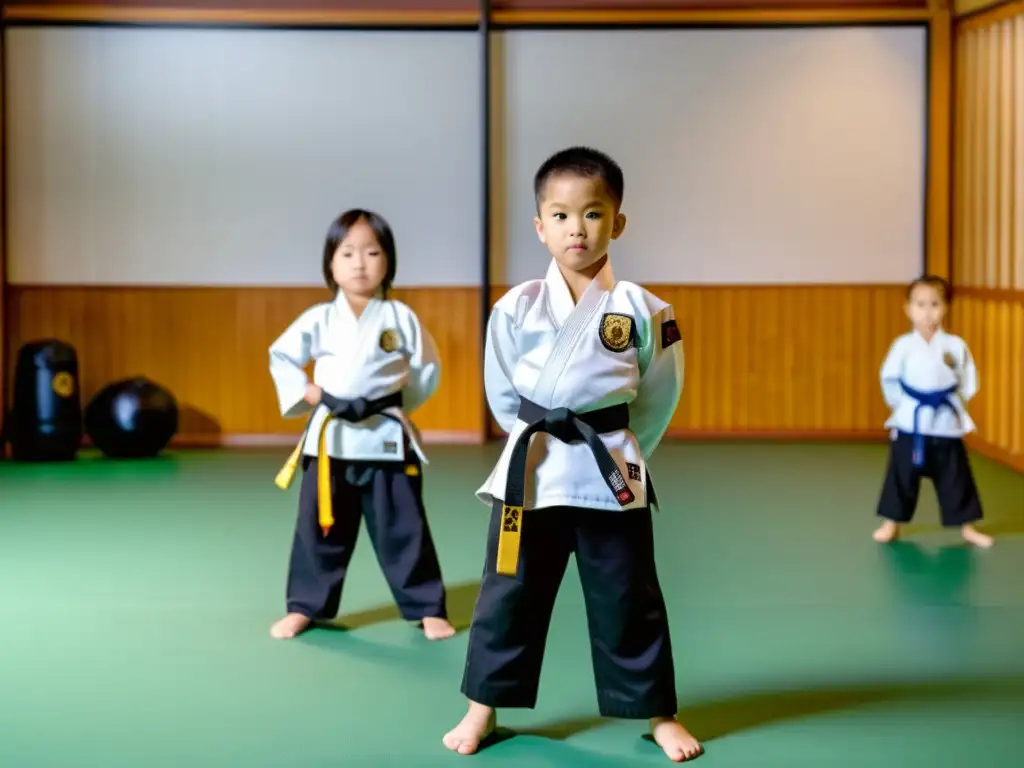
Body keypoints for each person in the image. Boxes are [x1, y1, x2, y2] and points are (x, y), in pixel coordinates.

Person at [443, 147, 703, 762]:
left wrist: (624, 452)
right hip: (532, 473)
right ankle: (483, 703)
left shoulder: (644, 309)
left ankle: (656, 712)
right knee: (508, 590)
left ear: (617, 222)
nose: (576, 229)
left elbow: (660, 395)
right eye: (559, 216)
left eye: (591, 214)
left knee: (628, 594)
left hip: (609, 469)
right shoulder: (517, 306)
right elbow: (501, 390)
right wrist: (523, 446)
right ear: (540, 226)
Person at [268, 208, 456, 641]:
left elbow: (427, 369)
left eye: (372, 252)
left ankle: (427, 607)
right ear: (330, 263)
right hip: (330, 442)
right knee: (319, 531)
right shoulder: (319, 318)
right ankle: (305, 606)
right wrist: (311, 393)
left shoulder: (400, 318)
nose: (359, 262)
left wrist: (395, 407)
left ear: (388, 261)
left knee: (404, 528)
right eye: (347, 252)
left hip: (385, 440)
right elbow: (281, 356)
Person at [873, 275, 994, 548]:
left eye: (935, 304)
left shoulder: (955, 345)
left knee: (956, 477)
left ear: (946, 307)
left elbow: (968, 379)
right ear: (908, 309)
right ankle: (891, 523)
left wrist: (952, 403)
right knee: (900, 476)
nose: (928, 311)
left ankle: (968, 527)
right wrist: (903, 406)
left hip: (944, 423)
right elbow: (889, 379)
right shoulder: (902, 346)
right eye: (920, 304)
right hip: (910, 423)